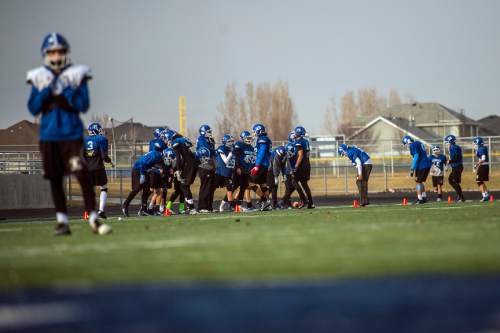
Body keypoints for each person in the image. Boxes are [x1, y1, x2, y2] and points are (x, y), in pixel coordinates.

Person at [27, 32, 110, 235]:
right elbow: (33, 107)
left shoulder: (76, 75)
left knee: (82, 174)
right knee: (55, 179)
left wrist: (67, 89)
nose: (56, 56)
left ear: (66, 53)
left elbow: (83, 104)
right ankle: (62, 221)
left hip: (71, 135)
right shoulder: (40, 77)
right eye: (52, 52)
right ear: (46, 54)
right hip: (49, 135)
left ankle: (93, 217)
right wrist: (47, 89)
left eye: (60, 51)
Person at [122, 143, 163, 217]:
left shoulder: (157, 154)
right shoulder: (156, 156)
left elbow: (151, 167)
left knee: (146, 189)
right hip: (138, 169)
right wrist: (142, 174)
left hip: (144, 170)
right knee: (137, 189)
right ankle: (125, 205)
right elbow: (142, 164)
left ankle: (144, 209)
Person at [83, 122, 114, 218]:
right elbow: (104, 156)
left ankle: (88, 212)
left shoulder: (84, 140)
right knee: (103, 188)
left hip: (87, 169)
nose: (101, 131)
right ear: (96, 130)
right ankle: (101, 210)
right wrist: (110, 162)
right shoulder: (101, 139)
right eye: (99, 130)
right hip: (98, 167)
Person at [168, 131, 198, 214]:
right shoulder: (185, 140)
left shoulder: (176, 142)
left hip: (188, 165)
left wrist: (177, 170)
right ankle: (190, 207)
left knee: (183, 186)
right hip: (193, 164)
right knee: (185, 186)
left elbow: (178, 157)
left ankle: (191, 208)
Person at [250, 124, 273, 211]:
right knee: (263, 185)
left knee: (249, 183)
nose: (253, 133)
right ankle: (268, 205)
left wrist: (257, 166)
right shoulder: (264, 139)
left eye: (254, 131)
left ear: (258, 131)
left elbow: (261, 153)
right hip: (265, 165)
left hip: (261, 165)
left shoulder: (263, 139)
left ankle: (265, 201)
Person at [402, 135, 431, 204]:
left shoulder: (413, 145)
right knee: (420, 182)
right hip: (426, 164)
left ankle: (419, 199)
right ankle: (424, 197)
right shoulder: (418, 142)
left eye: (405, 144)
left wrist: (412, 168)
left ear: (407, 142)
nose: (406, 146)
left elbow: (416, 156)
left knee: (418, 182)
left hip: (421, 165)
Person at [291, 126, 315, 208]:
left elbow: (300, 155)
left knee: (294, 181)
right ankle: (311, 203)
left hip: (301, 165)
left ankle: (304, 199)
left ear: (297, 133)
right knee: (304, 184)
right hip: (307, 164)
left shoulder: (299, 141)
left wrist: (296, 166)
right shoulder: (306, 141)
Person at [233, 131, 256, 211]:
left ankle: (237, 206)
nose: (249, 139)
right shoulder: (239, 145)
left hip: (247, 171)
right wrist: (238, 167)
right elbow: (236, 156)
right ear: (243, 138)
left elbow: (252, 159)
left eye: (250, 138)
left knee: (243, 188)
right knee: (235, 187)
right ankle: (232, 205)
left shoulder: (251, 147)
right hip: (240, 170)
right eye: (248, 138)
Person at [196, 125, 216, 213]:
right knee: (205, 186)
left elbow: (213, 152)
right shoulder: (201, 139)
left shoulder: (209, 140)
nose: (210, 133)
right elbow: (207, 151)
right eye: (208, 132)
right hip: (204, 165)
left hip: (210, 165)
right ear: (203, 132)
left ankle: (209, 206)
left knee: (210, 187)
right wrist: (211, 145)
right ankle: (202, 207)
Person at [281, 143, 308, 208]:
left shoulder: (295, 151)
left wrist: (293, 170)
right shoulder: (286, 154)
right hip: (288, 172)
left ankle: (303, 199)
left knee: (293, 186)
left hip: (293, 171)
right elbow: (283, 163)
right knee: (288, 188)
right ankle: (285, 202)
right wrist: (283, 174)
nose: (289, 152)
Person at [215, 134, 236, 212]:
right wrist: (231, 153)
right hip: (220, 172)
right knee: (212, 188)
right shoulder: (222, 148)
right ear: (225, 142)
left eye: (232, 141)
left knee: (230, 188)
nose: (231, 143)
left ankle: (230, 205)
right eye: (229, 141)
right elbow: (226, 161)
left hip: (228, 172)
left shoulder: (233, 149)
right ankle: (207, 205)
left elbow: (233, 162)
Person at [445, 134, 465, 202]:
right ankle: (460, 196)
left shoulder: (453, 147)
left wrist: (449, 161)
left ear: (450, 141)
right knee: (451, 180)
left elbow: (456, 157)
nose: (446, 143)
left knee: (454, 181)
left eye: (447, 142)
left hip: (457, 166)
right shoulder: (454, 147)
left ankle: (460, 197)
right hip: (456, 166)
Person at [473, 137, 491, 202]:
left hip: (483, 166)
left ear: (478, 143)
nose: (474, 145)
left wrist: (476, 164)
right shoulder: (482, 148)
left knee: (479, 181)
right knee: (481, 181)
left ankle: (484, 195)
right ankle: (486, 194)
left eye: (475, 143)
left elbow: (483, 158)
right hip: (484, 166)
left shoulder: (481, 149)